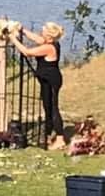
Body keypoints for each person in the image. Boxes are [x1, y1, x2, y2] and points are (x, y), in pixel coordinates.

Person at [9, 21, 65, 150]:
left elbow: (27, 52)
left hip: (52, 81)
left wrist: (13, 39)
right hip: (45, 80)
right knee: (47, 107)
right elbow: (36, 38)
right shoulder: (48, 42)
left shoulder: (49, 47)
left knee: (53, 108)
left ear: (49, 35)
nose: (42, 30)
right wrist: (23, 30)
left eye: (44, 29)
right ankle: (48, 134)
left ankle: (60, 139)